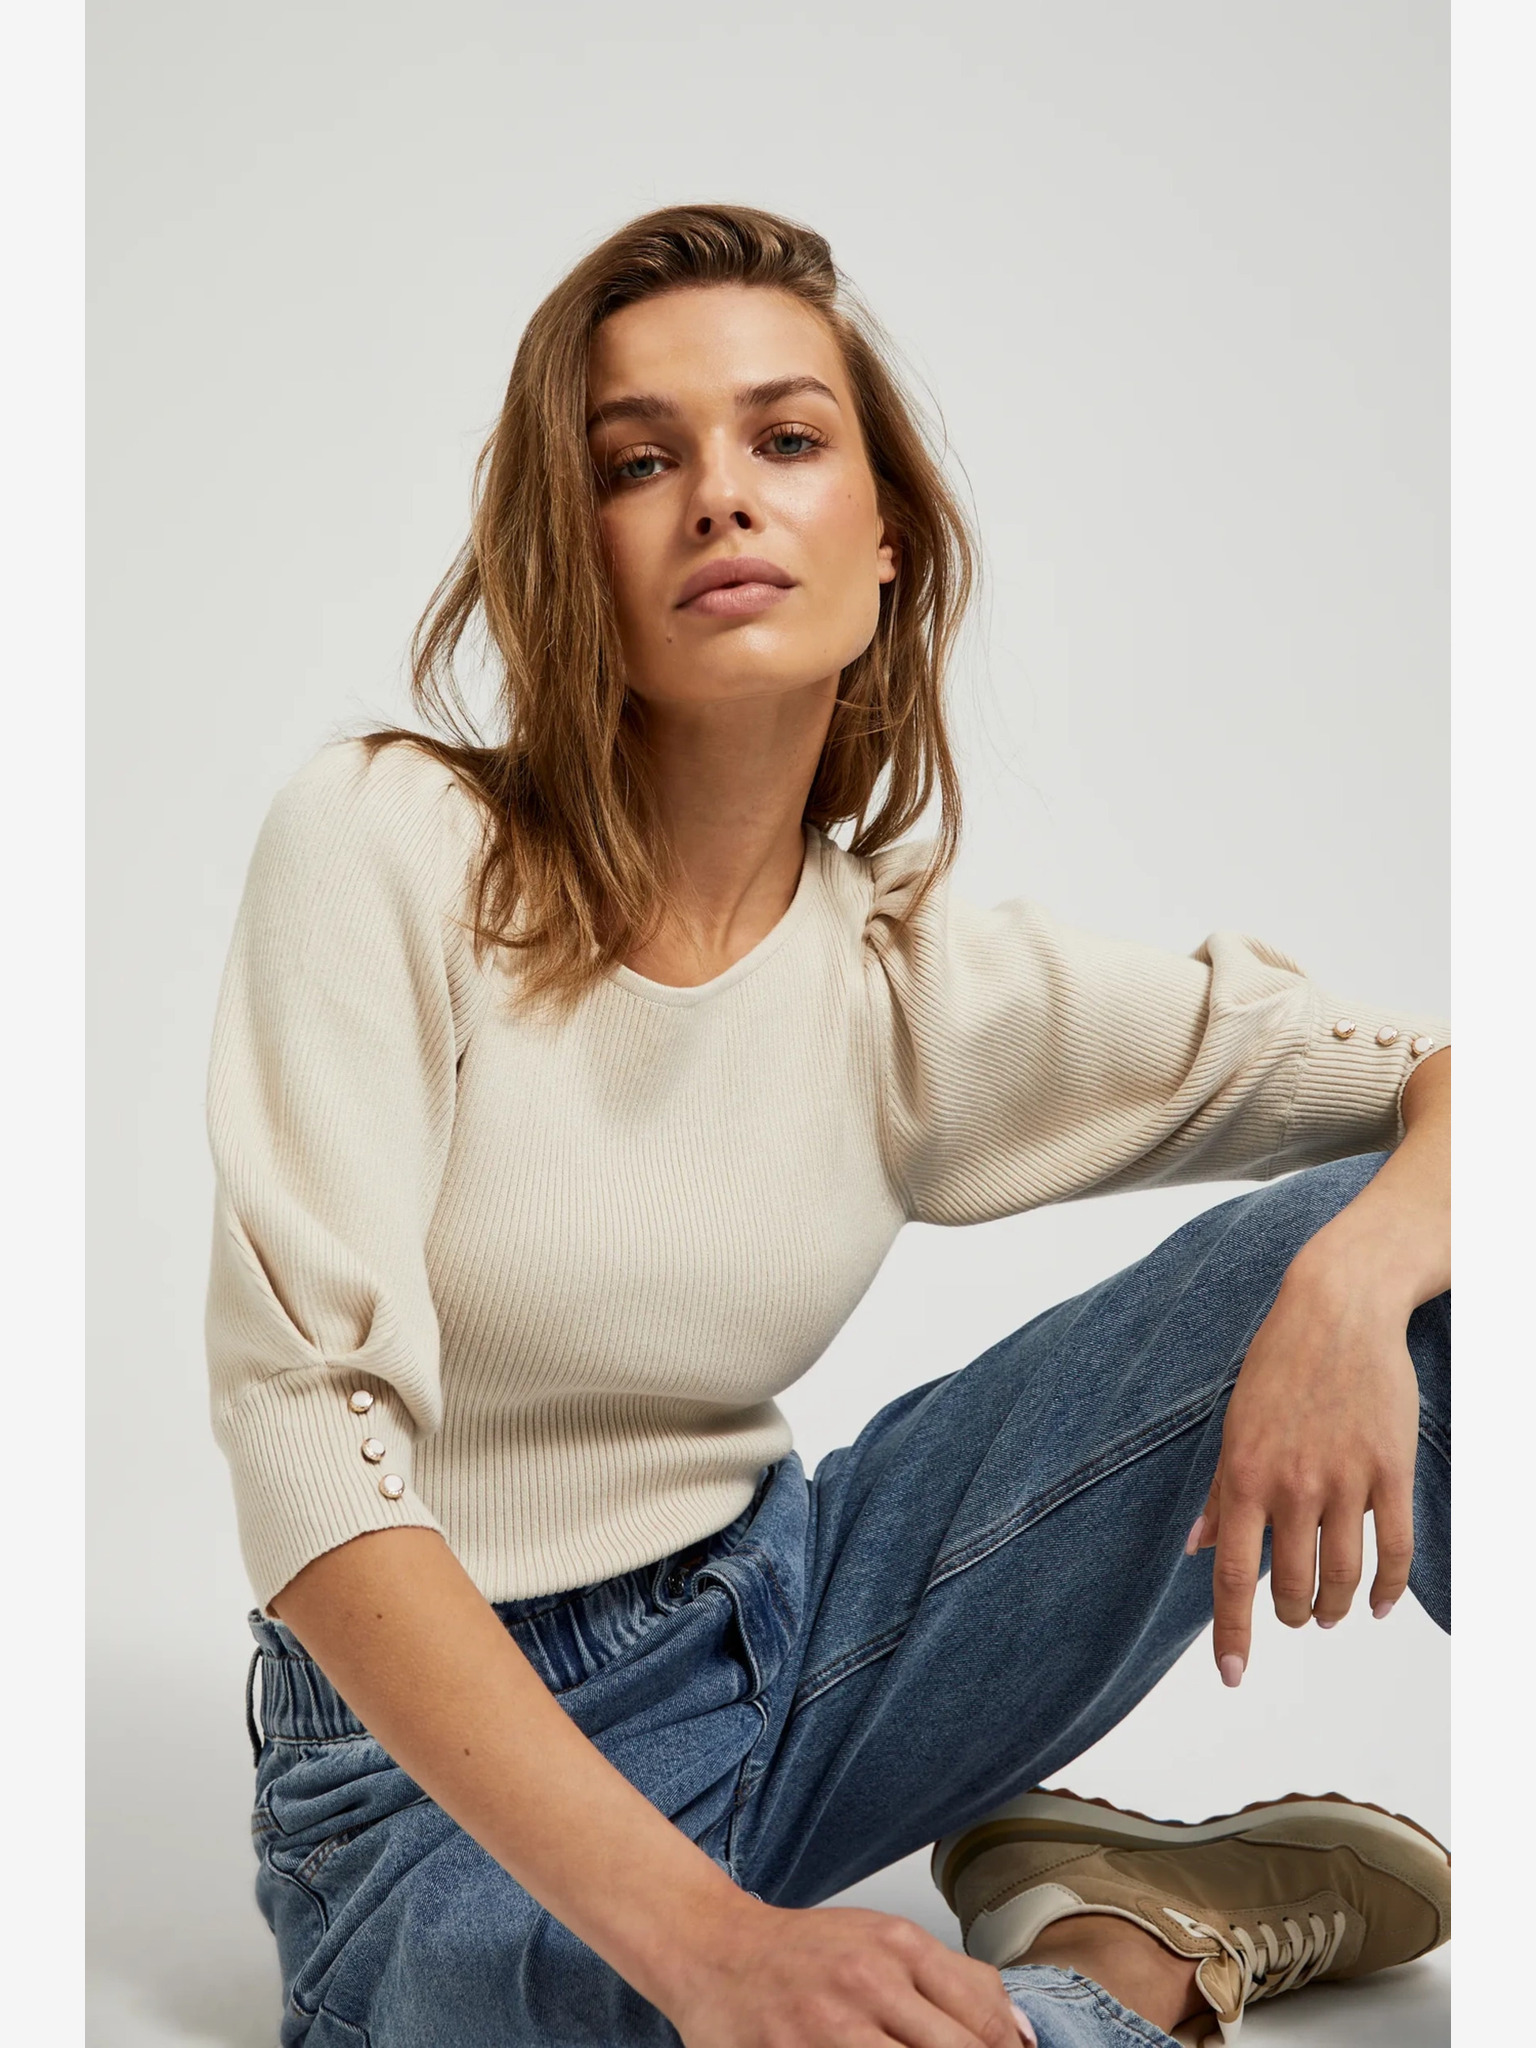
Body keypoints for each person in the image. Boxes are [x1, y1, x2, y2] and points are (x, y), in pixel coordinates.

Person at [205, 203, 1451, 2048]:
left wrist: (1354, 1283)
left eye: (785, 439)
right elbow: (307, 1447)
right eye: (638, 463)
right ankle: (1132, 1959)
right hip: (421, 1801)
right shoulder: (392, 846)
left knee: (1438, 1273)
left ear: (885, 543)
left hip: (802, 1641)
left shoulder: (902, 978)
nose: (720, 496)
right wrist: (712, 1949)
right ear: (571, 551)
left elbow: (1458, 1084)